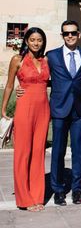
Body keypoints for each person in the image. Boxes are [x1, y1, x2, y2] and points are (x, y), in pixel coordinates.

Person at [1, 28, 49, 211]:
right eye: (32, 40)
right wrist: (4, 109)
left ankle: (37, 196)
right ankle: (24, 199)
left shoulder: (46, 60)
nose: (36, 43)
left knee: (38, 152)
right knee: (23, 152)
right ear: (26, 41)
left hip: (44, 110)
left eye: (39, 40)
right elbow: (9, 85)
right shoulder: (17, 60)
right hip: (24, 108)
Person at [47, 20, 81, 206]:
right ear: (62, 35)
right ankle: (58, 190)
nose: (70, 36)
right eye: (66, 33)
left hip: (80, 110)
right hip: (59, 109)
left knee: (78, 151)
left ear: (79, 35)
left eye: (73, 33)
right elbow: (39, 74)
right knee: (58, 151)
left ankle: (77, 189)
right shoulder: (52, 56)